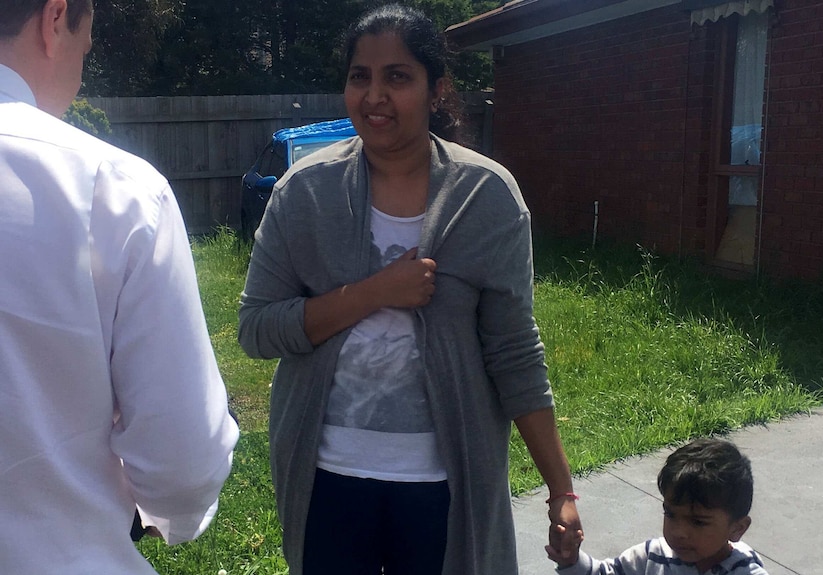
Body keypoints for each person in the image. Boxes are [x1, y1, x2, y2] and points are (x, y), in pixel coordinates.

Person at [237, 4, 581, 574]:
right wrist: (376, 291)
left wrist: (561, 490)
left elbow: (514, 352)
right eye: (360, 76)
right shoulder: (304, 193)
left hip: (442, 482)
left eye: (397, 77)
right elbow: (256, 329)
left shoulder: (486, 197)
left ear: (435, 89)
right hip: (326, 475)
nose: (375, 96)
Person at [0, 0, 240, 572]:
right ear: (55, 18)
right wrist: (172, 516)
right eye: (88, 44)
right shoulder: (117, 192)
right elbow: (183, 460)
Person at [552, 438, 768, 575]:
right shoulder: (652, 555)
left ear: (737, 528)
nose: (678, 532)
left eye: (698, 522)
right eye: (670, 514)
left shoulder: (745, 571)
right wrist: (571, 560)